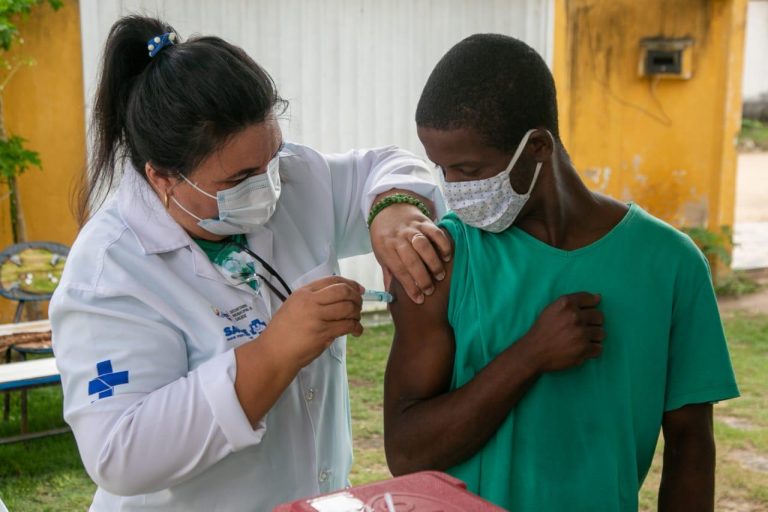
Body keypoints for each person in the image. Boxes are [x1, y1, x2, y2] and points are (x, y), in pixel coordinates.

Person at [50, 16, 450, 511]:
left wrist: (393, 209)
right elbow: (119, 454)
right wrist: (272, 353)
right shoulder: (110, 273)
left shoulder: (294, 181)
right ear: (162, 178)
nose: (268, 186)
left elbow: (387, 165)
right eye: (239, 177)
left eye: (272, 159)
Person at [383, 33, 739, 512]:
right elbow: (406, 452)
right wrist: (528, 356)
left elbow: (691, 445)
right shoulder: (444, 258)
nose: (453, 189)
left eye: (467, 169)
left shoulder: (670, 263)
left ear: (536, 148)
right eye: (441, 169)